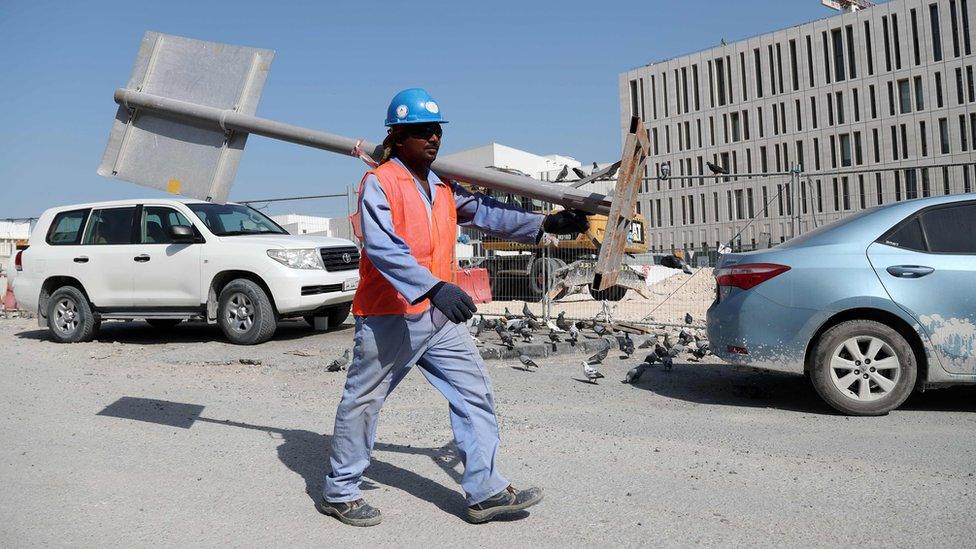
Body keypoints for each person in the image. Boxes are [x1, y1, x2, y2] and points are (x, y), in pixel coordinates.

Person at [319, 88, 590, 526]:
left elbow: (487, 211)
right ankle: (340, 491)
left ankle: (484, 491)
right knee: (364, 400)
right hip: (390, 314)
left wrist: (545, 223)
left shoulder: (443, 186)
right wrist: (432, 288)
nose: (432, 139)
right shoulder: (381, 182)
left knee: (474, 392)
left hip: (437, 317)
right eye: (422, 131)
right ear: (397, 136)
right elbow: (385, 250)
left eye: (436, 131)